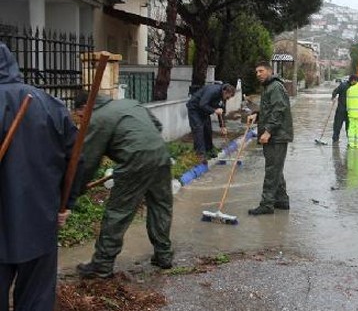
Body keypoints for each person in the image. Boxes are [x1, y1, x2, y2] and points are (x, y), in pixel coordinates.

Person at [0, 42, 82, 311]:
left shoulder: (43, 103)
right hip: (39, 223)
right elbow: (76, 159)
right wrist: (65, 204)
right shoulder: (50, 105)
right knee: (35, 301)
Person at [74, 91, 174, 278]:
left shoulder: (97, 118)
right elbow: (157, 126)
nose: (81, 121)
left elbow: (88, 162)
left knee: (118, 212)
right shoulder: (131, 103)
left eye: (80, 116)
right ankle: (164, 256)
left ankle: (102, 266)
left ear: (85, 107)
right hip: (161, 155)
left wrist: (75, 190)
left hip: (136, 161)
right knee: (161, 207)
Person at [246, 61, 294, 215]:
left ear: (269, 71)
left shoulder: (275, 87)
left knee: (272, 170)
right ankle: (282, 201)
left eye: (261, 71)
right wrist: (257, 114)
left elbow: (279, 110)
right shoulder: (269, 87)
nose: (258, 74)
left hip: (277, 136)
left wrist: (267, 131)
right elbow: (269, 109)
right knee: (276, 168)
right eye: (256, 72)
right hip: (275, 135)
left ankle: (267, 204)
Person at [186, 82, 236, 160]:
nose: (228, 99)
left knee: (208, 129)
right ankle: (200, 154)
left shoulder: (223, 97)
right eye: (228, 97)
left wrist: (222, 126)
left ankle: (209, 150)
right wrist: (214, 110)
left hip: (205, 111)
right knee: (198, 129)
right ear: (225, 92)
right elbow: (202, 104)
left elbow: (221, 111)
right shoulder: (212, 91)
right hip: (195, 109)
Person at [331, 78, 350, 143]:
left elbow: (335, 91)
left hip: (342, 109)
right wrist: (333, 97)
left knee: (338, 124)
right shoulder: (345, 86)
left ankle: (335, 139)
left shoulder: (343, 85)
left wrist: (333, 97)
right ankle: (350, 141)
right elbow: (335, 91)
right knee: (347, 125)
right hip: (347, 109)